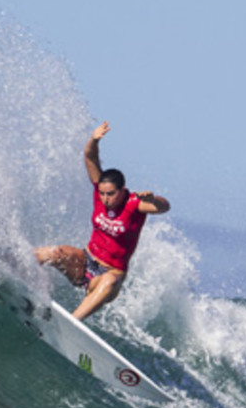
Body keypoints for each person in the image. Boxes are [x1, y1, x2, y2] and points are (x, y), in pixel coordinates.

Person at [34, 121, 170, 320]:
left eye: (111, 194)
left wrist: (153, 199)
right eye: (102, 193)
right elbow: (90, 157)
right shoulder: (100, 194)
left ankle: (71, 323)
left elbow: (164, 207)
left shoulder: (134, 204)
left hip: (108, 275)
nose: (105, 198)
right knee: (52, 252)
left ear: (122, 190)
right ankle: (12, 273)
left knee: (109, 282)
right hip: (85, 261)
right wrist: (93, 140)